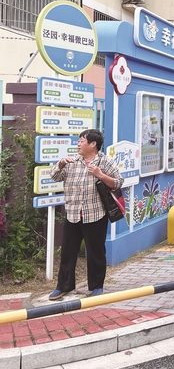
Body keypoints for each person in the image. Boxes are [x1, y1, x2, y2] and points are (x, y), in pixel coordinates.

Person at [48, 129, 123, 300]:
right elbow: (55, 177)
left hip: (95, 214)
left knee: (96, 252)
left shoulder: (105, 161)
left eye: (82, 141)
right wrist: (60, 164)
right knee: (68, 252)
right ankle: (63, 286)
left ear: (93, 144)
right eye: (79, 141)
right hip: (73, 214)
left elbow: (118, 183)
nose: (78, 144)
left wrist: (100, 175)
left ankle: (96, 286)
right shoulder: (72, 161)